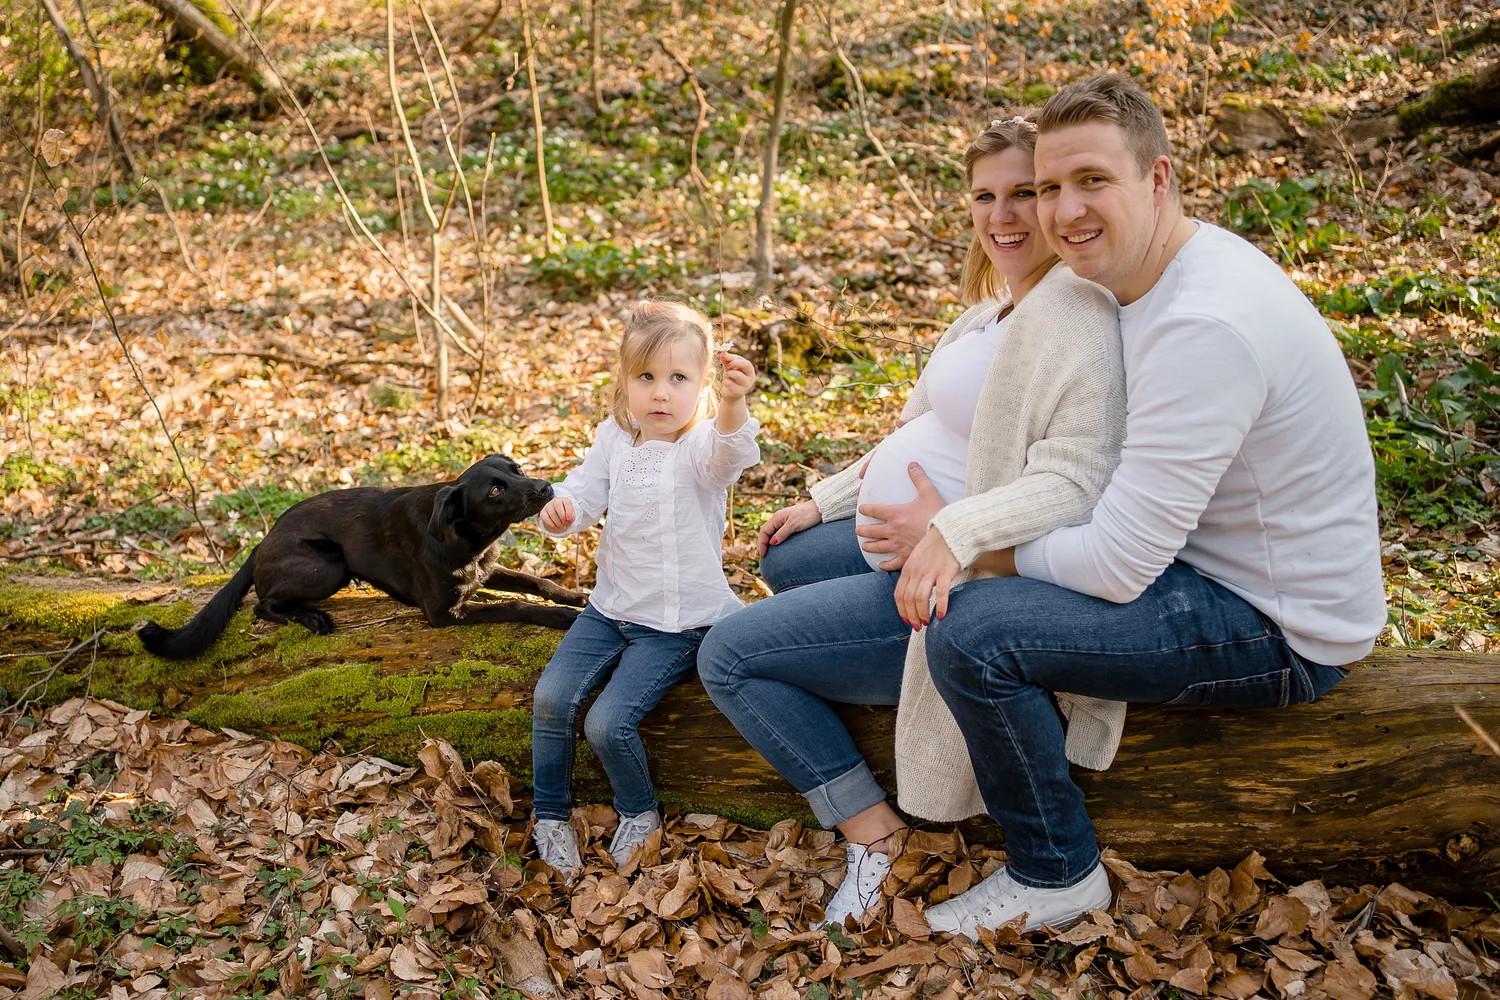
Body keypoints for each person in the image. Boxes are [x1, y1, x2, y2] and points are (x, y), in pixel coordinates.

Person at [916, 74, 1386, 939]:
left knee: (973, 632)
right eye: (1050, 185)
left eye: (1092, 180)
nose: (1064, 210)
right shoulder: (1153, 276)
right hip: (1206, 565)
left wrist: (984, 552)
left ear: (1157, 179)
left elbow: (1120, 564)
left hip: (1280, 625)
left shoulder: (1204, 324)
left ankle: (1055, 871)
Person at [697, 116, 1127, 928]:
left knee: (728, 657)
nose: (1002, 216)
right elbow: (916, 431)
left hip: (963, 582)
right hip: (922, 544)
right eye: (984, 196)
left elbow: (1077, 483)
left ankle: (871, 830)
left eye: (1025, 194)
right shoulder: (991, 313)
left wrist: (952, 529)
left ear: (1059, 198)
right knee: (785, 564)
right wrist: (824, 501)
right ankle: (840, 653)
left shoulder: (1075, 318)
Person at [530, 300, 761, 877]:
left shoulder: (702, 446)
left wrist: (733, 404)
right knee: (552, 699)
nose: (662, 394)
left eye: (679, 378)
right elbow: (583, 495)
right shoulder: (614, 438)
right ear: (625, 383)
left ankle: (639, 812)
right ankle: (550, 816)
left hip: (676, 624)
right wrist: (562, 511)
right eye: (647, 378)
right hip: (610, 610)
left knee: (609, 721)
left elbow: (730, 456)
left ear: (702, 384)